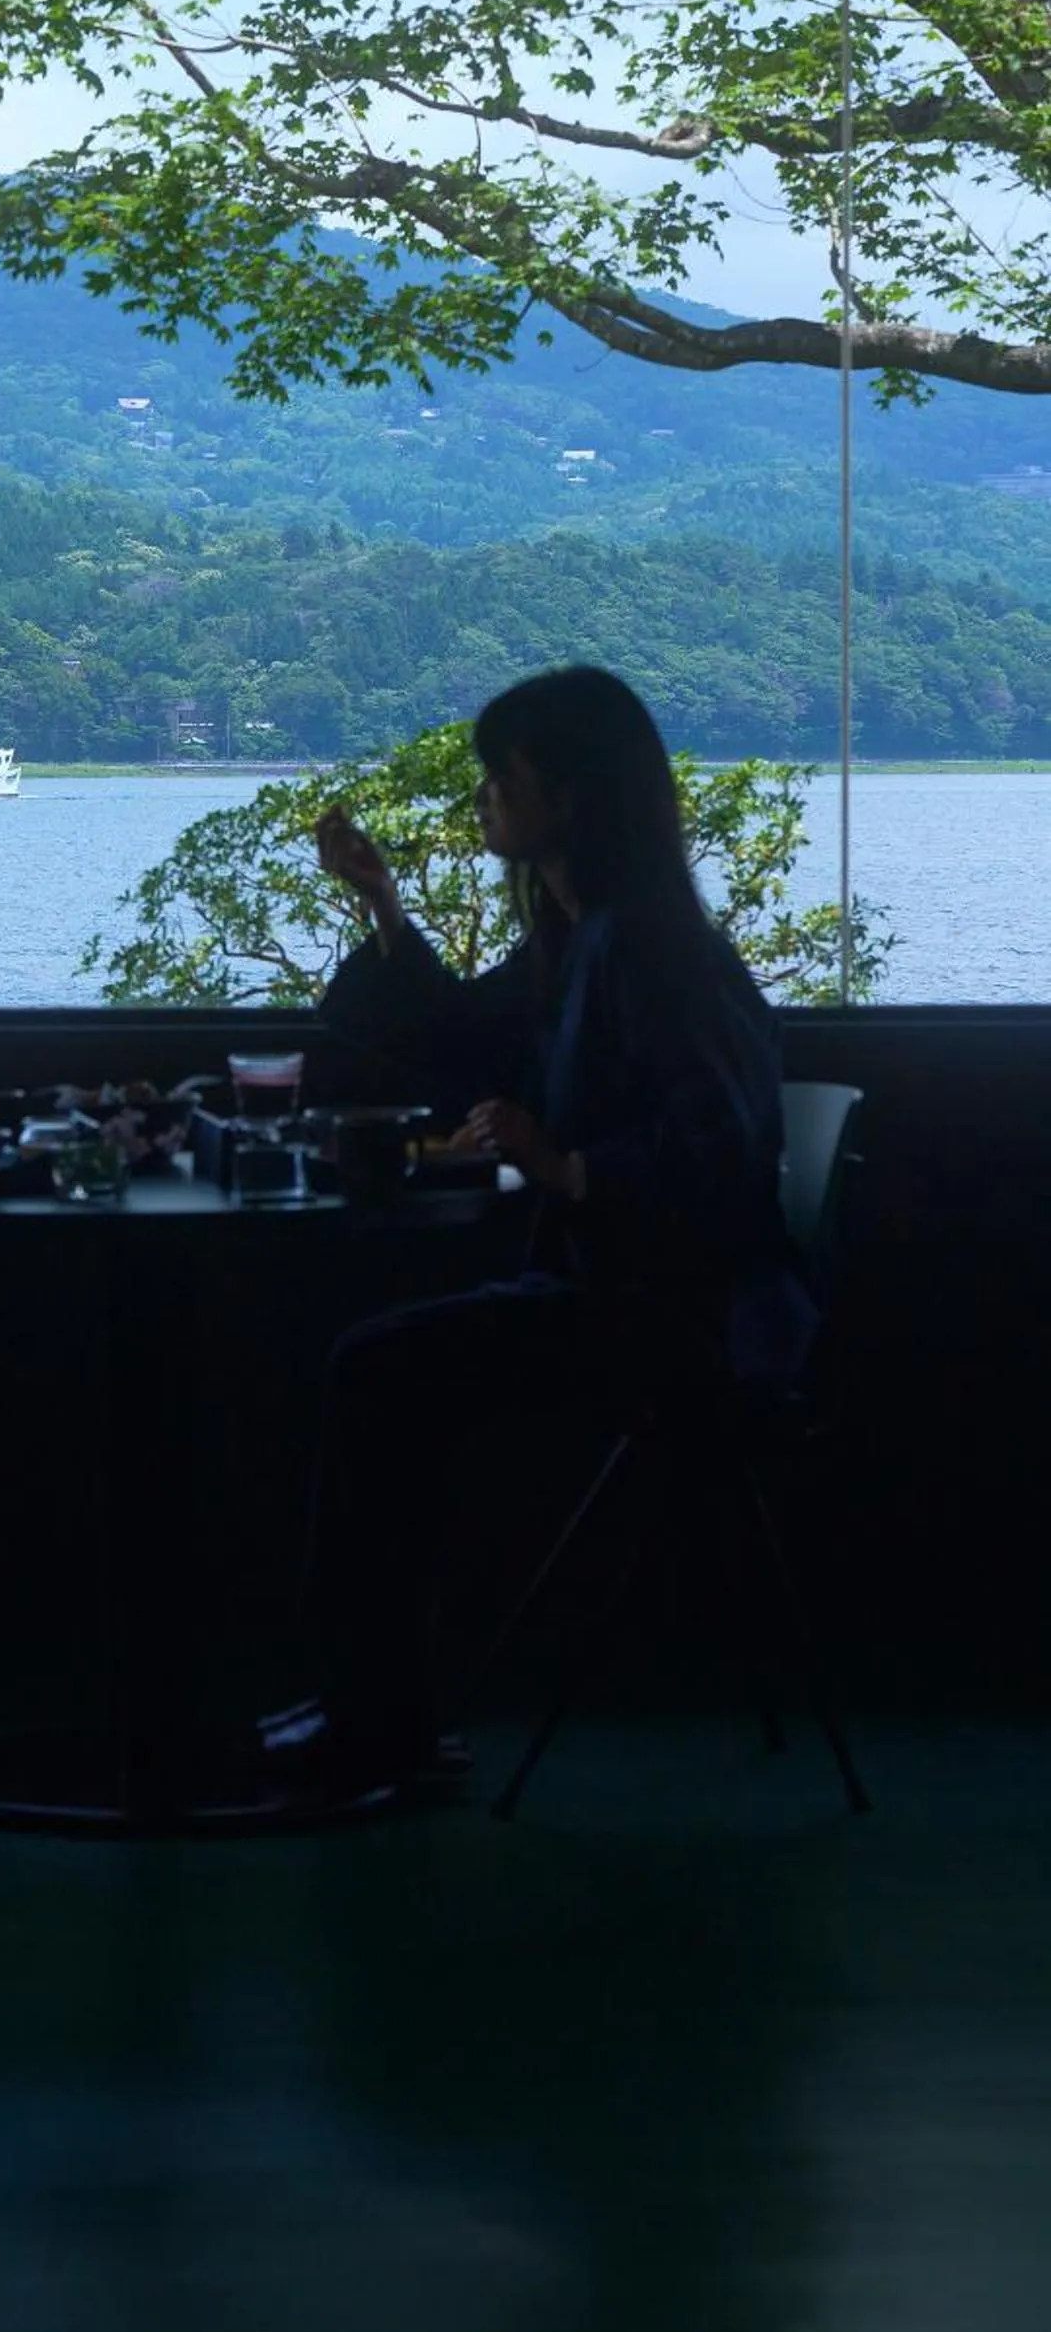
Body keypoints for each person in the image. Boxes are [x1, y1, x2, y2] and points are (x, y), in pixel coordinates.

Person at [272, 664, 818, 1798]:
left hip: (687, 1324)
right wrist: (381, 901)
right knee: (376, 1367)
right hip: (635, 1296)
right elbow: (463, 1031)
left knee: (374, 1373)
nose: (483, 799)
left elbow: (718, 1144)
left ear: (568, 796)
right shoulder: (586, 937)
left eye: (499, 778)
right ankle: (374, 1709)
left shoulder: (650, 947)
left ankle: (380, 1722)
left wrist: (565, 1162)